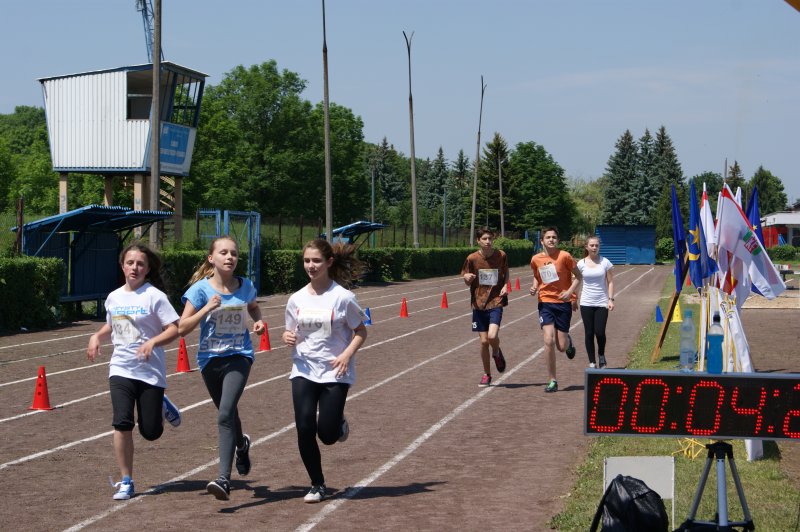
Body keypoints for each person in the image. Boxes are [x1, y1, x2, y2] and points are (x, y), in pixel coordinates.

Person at [86, 242, 181, 501]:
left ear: (147, 268)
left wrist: (153, 342)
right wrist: (96, 336)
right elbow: (112, 326)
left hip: (150, 372)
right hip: (121, 368)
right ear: (122, 266)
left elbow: (174, 328)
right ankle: (126, 480)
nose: (135, 267)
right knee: (122, 422)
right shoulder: (114, 297)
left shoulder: (154, 296)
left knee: (151, 432)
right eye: (130, 263)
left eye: (140, 264)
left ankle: (161, 405)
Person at [179, 236, 265, 501]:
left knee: (225, 413)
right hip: (209, 360)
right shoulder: (200, 290)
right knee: (228, 414)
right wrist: (206, 308)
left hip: (239, 356)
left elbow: (253, 308)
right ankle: (241, 444)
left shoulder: (246, 286)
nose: (229, 257)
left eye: (234, 254)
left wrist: (259, 322)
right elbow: (182, 327)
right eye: (224, 253)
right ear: (211, 258)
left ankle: (223, 479)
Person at [282, 239, 368, 503]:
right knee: (304, 426)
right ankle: (317, 484)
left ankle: (338, 424)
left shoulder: (343, 297)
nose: (311, 265)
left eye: (316, 261)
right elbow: (290, 330)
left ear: (329, 262)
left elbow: (361, 331)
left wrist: (346, 354)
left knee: (327, 436)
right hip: (304, 368)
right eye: (307, 260)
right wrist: (287, 336)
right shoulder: (296, 299)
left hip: (334, 371)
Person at [529, 227, 582, 393]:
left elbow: (579, 276)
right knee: (548, 340)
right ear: (542, 241)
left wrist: (570, 293)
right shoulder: (536, 259)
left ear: (557, 240)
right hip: (545, 302)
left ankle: (568, 343)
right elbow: (537, 276)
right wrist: (534, 286)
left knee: (561, 346)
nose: (551, 239)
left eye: (554, 237)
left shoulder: (564, 256)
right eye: (548, 237)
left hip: (563, 303)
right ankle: (552, 380)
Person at [461, 226, 509, 387]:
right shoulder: (472, 258)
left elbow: (506, 272)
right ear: (478, 241)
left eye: (490, 238)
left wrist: (505, 285)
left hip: (496, 301)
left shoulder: (501, 255)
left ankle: (496, 352)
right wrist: (467, 278)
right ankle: (487, 374)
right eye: (484, 239)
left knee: (492, 336)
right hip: (479, 304)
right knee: (483, 342)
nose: (488, 241)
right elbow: (466, 278)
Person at [577, 236, 614, 369]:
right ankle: (592, 361)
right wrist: (573, 299)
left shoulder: (605, 262)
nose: (594, 248)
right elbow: (576, 282)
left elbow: (610, 282)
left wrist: (610, 299)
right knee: (589, 333)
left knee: (600, 332)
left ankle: (601, 355)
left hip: (601, 302)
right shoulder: (580, 264)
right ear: (586, 247)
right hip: (586, 302)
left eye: (596, 245)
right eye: (592, 245)